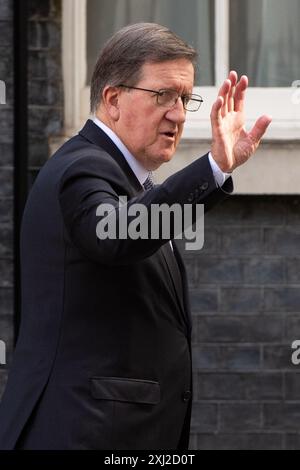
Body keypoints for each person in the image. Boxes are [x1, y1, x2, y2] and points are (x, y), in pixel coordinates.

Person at [0, 23, 271, 450]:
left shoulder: (130, 181)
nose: (179, 114)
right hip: (84, 432)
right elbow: (120, 235)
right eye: (163, 95)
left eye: (185, 98)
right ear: (112, 100)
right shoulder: (83, 167)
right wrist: (214, 167)